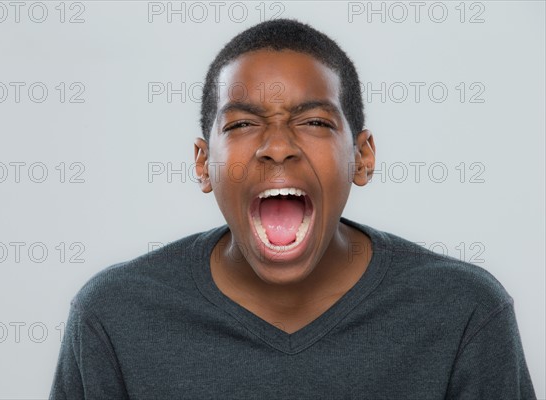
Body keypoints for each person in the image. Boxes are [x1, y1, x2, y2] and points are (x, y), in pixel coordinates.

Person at [49, 19, 536, 399]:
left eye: (315, 122)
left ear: (362, 157)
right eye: (241, 125)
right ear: (202, 164)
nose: (277, 146)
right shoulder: (114, 317)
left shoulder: (463, 312)